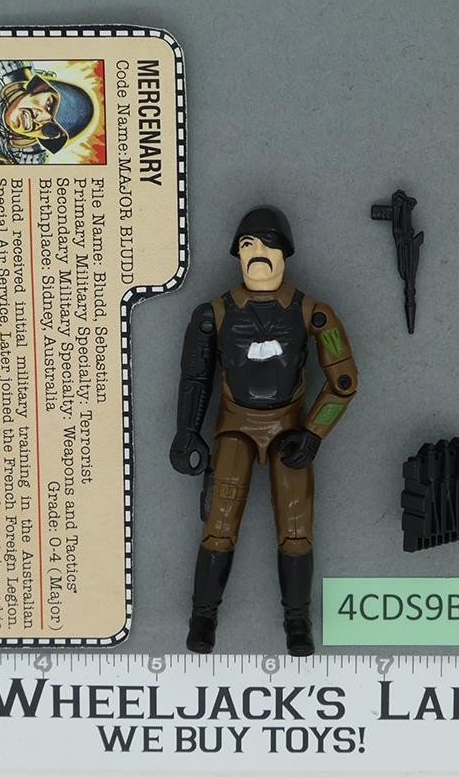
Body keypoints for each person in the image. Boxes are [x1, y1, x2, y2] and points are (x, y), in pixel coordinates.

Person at [170, 206, 359, 656]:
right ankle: (203, 617)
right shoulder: (213, 314)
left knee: (296, 527)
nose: (258, 252)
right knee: (219, 523)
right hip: (234, 426)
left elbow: (343, 381)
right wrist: (186, 431)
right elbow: (195, 378)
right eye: (248, 244)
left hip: (288, 427)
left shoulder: (313, 313)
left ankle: (297, 621)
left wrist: (313, 432)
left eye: (269, 244)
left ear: (285, 253)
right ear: (237, 253)